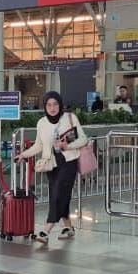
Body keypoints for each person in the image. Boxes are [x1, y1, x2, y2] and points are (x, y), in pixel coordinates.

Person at [19, 92, 88, 244]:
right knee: (60, 195)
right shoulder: (42, 123)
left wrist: (67, 145)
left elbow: (83, 139)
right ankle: (69, 228)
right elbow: (39, 145)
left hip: (69, 161)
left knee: (57, 194)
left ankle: (46, 230)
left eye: (55, 104)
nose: (52, 108)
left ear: (60, 105)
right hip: (50, 164)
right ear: (44, 106)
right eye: (49, 105)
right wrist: (24, 154)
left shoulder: (70, 118)